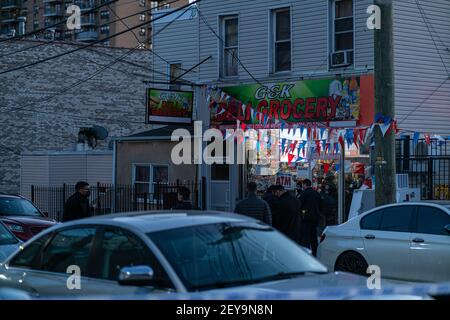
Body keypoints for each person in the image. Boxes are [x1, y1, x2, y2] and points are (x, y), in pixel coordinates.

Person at [298, 179, 323, 256]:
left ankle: (307, 254)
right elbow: (321, 205)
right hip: (315, 218)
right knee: (313, 237)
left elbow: (299, 205)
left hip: (306, 218)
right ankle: (315, 253)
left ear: (305, 184)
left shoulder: (304, 194)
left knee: (306, 237)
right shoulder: (317, 193)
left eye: (303, 185)